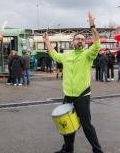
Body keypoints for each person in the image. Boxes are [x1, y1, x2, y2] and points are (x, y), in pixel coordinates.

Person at [43, 12, 103, 153]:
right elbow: (54, 55)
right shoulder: (66, 55)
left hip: (82, 96)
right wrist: (47, 41)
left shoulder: (88, 55)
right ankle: (68, 149)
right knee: (67, 124)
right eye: (77, 39)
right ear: (73, 42)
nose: (80, 41)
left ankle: (98, 150)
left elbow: (97, 42)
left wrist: (92, 26)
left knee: (86, 125)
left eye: (82, 39)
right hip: (68, 96)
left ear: (84, 43)